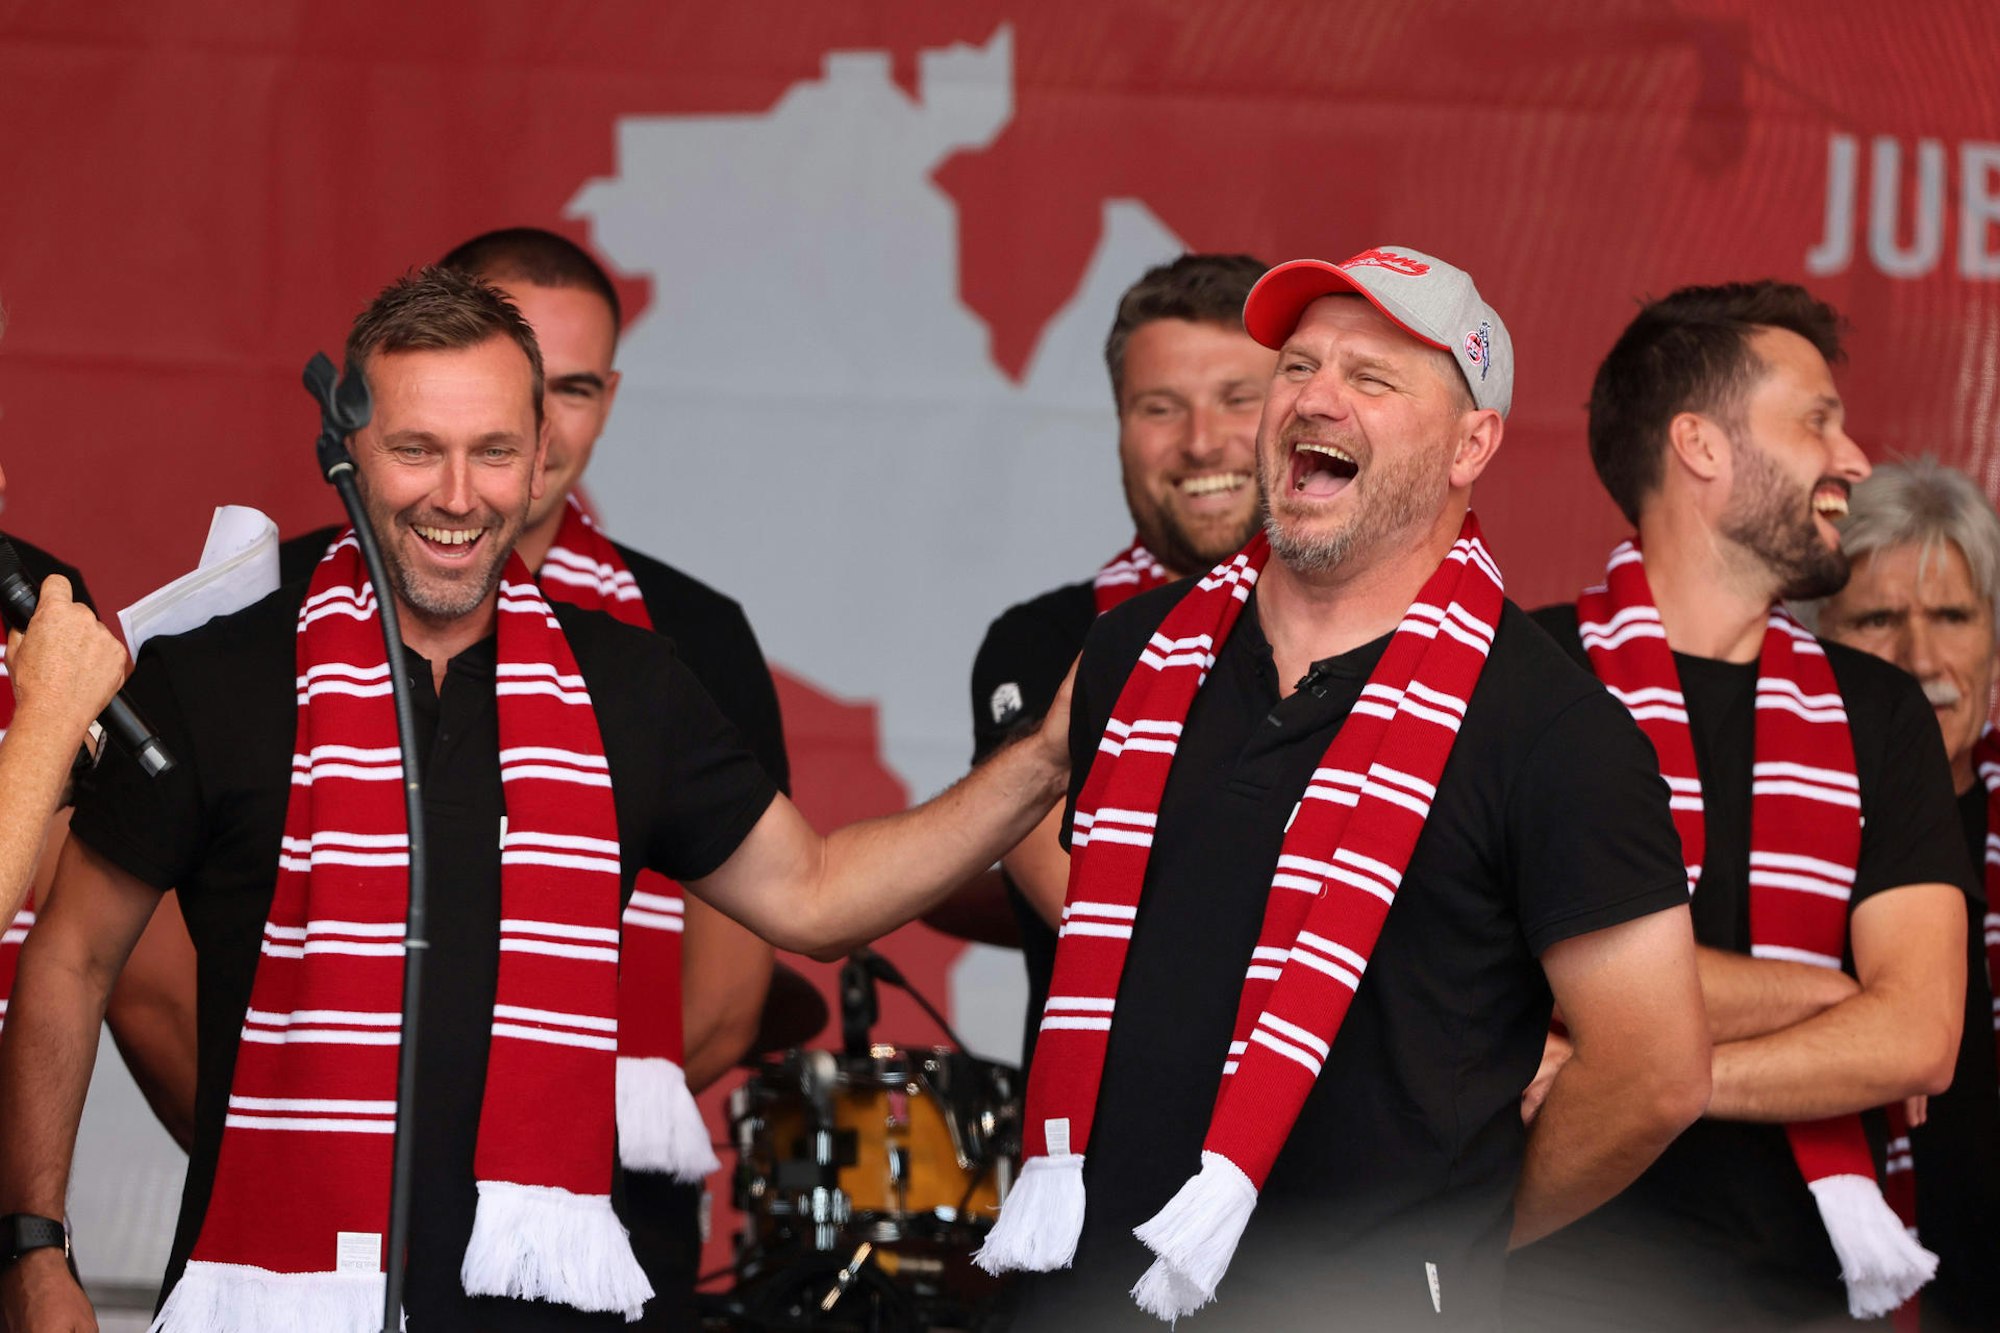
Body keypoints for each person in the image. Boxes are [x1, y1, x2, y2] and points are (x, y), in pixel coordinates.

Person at [0, 267, 1069, 1332]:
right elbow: (73, 957)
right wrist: (36, 1246)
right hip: (265, 1293)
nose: (457, 496)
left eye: (493, 452)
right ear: (348, 451)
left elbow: (819, 895)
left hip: (540, 1298)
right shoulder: (214, 677)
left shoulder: (631, 685)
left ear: (538, 455)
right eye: (417, 449)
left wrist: (1040, 760)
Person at [975, 247, 1709, 1332]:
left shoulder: (1548, 727)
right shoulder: (1133, 649)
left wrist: (1439, 1242)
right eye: (1298, 365)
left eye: (1371, 378)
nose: (1314, 396)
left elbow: (1652, 1073)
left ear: (1472, 444)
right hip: (1084, 1290)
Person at [103, 228, 789, 1326]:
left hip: (583, 1226)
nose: (543, 424)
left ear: (596, 401)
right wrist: (306, 1136)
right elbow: (123, 961)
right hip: (289, 1235)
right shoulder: (249, 623)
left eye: (567, 389)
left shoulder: (682, 641)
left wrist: (533, 1125)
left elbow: (735, 982)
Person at [1507, 283, 1972, 1330]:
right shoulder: (1518, 681)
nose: (1852, 460)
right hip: (1548, 1285)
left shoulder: (1876, 710)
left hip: (1804, 1291)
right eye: (1815, 419)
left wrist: (1632, 1074)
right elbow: (1502, 978)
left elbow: (1914, 1035)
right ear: (1700, 446)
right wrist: (1824, 992)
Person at [949, 252, 1273, 1075]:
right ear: (1120, 424)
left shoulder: (1392, 638)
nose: (1202, 443)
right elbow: (1088, 905)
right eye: (1161, 407)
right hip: (1099, 1166)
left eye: (1240, 399)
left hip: (1341, 1176)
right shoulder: (1042, 644)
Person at [1794, 457, 2000, 1332]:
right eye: (1880, 618)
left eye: (1953, 615)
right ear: (1810, 636)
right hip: (1824, 1289)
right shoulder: (1775, 825)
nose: (1923, 658)